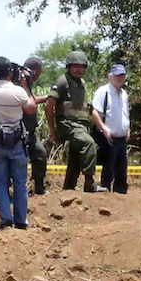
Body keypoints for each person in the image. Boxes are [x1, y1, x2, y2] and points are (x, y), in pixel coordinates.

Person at [0, 56, 37, 231]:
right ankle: (20, 220)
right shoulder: (18, 92)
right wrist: (25, 85)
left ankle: (6, 218)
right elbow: (31, 108)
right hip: (17, 143)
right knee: (20, 183)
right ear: (11, 73)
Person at [48, 52, 99, 195]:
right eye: (75, 66)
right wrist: (53, 130)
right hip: (67, 124)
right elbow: (49, 105)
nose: (79, 69)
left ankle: (68, 188)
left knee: (76, 155)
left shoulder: (82, 84)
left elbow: (87, 108)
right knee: (89, 143)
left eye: (81, 66)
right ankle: (89, 182)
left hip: (80, 126)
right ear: (69, 67)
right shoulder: (62, 82)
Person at [91, 65, 130, 194]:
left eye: (122, 75)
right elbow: (94, 112)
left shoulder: (124, 93)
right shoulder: (103, 91)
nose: (120, 78)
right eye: (117, 75)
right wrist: (103, 128)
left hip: (122, 138)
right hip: (108, 137)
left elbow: (125, 113)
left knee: (121, 170)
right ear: (111, 76)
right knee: (108, 169)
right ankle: (105, 196)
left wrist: (127, 128)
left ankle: (121, 197)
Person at [20, 57, 48, 195]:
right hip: (19, 131)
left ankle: (39, 187)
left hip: (30, 131)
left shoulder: (27, 82)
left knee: (40, 154)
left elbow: (29, 99)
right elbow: (25, 101)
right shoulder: (21, 82)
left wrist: (47, 98)